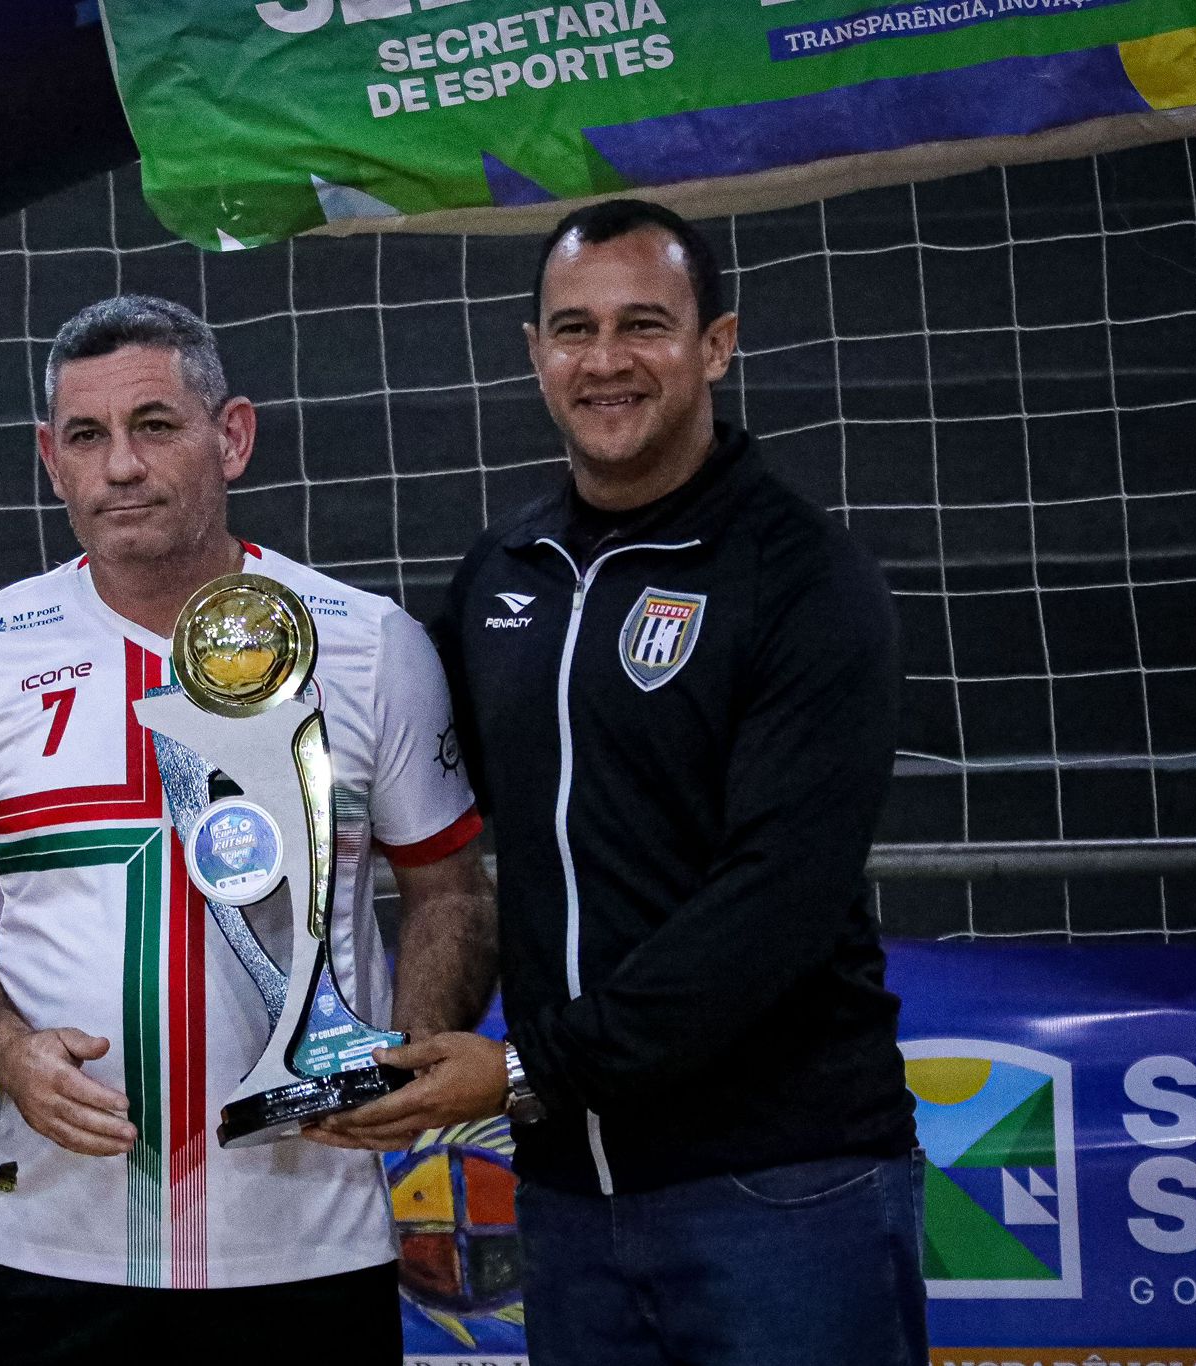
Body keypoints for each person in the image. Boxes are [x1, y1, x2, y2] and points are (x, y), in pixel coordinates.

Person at [316, 200, 926, 1364]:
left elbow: (776, 899)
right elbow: (402, 798)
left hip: (779, 1184)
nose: (603, 360)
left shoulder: (802, 577)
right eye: (573, 328)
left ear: (716, 344)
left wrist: (523, 1067)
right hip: (568, 1198)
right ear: (533, 352)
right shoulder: (503, 572)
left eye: (642, 324)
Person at [0, 295, 495, 1364]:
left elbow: (450, 890)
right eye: (87, 436)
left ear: (234, 436)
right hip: (45, 1247)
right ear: (50, 460)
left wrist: (404, 1059)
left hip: (308, 1246)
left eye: (155, 425)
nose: (120, 466)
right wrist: (6, 1050)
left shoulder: (368, 643)